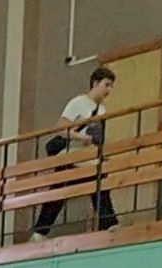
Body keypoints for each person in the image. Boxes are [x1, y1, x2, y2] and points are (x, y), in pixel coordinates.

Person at [31, 66, 120, 240]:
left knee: (100, 187)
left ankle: (108, 223)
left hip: (88, 157)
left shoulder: (102, 109)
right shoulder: (78, 102)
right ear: (95, 83)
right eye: (106, 85)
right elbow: (61, 128)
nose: (109, 90)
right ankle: (40, 231)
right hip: (71, 153)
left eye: (111, 86)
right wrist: (81, 137)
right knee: (58, 194)